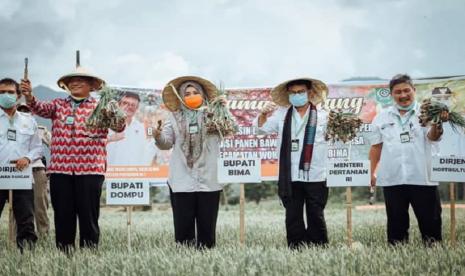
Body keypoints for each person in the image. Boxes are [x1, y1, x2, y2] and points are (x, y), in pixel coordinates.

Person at [22, 65, 126, 251]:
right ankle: (65, 254)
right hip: (61, 171)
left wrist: (113, 109)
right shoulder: (58, 105)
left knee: (89, 216)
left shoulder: (100, 107)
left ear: (92, 86)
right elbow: (37, 107)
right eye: (71, 80)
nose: (75, 82)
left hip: (91, 171)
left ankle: (88, 253)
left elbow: (119, 127)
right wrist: (29, 95)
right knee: (63, 216)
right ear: (66, 85)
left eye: (81, 80)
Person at [369, 74, 447, 245]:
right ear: (391, 94)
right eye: (398, 92)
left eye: (406, 90)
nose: (403, 95)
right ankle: (397, 260)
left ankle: (433, 255)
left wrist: (436, 123)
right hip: (393, 179)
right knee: (396, 229)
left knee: (431, 227)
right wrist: (372, 173)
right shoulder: (381, 118)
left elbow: (433, 137)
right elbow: (376, 147)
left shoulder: (427, 113)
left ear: (414, 90)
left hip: (423, 178)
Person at [254, 78, 330, 249]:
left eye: (301, 92)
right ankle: (296, 248)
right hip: (290, 175)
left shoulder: (324, 115)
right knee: (293, 215)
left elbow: (338, 138)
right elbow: (260, 129)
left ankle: (319, 247)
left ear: (309, 93)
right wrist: (263, 115)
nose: (297, 95)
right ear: (288, 95)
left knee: (315, 214)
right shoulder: (282, 115)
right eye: (293, 93)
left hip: (316, 173)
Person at [154, 76, 225, 249]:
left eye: (195, 92)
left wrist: (224, 110)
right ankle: (184, 256)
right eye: (187, 93)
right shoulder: (174, 117)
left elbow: (229, 129)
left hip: (209, 179)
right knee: (183, 224)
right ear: (180, 97)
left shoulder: (213, 116)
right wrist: (157, 135)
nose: (191, 96)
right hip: (181, 179)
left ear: (202, 95)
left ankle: (207, 255)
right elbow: (166, 143)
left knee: (207, 226)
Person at [0, 78, 42, 250]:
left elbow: (38, 148)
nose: (6, 95)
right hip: (0, 175)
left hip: (22, 177)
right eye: (1, 92)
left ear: (18, 96)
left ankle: (26, 255)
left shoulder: (28, 120)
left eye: (10, 92)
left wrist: (27, 159)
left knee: (25, 219)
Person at [16, 103, 51, 237]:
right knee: (16, 207)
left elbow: (56, 146)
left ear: (33, 113)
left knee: (40, 205)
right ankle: (15, 239)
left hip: (37, 170)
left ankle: (43, 236)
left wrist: (52, 167)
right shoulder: (9, 129)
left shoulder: (41, 130)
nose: (24, 112)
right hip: (17, 172)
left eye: (27, 110)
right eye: (21, 110)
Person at [107, 91, 159, 166]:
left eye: (133, 105)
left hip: (134, 174)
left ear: (137, 108)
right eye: (125, 103)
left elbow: (150, 146)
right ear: (119, 105)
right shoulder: (108, 125)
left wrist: (150, 131)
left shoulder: (142, 127)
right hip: (112, 174)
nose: (129, 107)